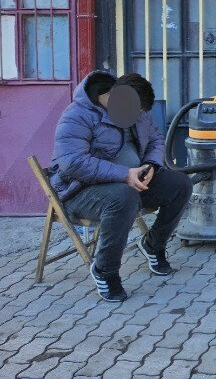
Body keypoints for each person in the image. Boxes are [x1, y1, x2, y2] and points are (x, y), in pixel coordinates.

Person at [49, 71, 193, 302]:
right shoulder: (76, 116)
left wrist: (151, 165)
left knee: (180, 184)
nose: (136, 116)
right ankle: (104, 271)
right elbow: (72, 162)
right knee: (124, 198)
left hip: (131, 182)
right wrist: (124, 174)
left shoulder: (135, 111)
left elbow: (156, 139)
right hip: (81, 191)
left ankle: (153, 245)